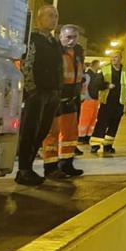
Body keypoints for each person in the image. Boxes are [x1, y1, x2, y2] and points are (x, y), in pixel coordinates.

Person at [16, 4, 62, 186]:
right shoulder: (33, 40)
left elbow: (59, 68)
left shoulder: (54, 42)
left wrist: (58, 90)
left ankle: (28, 167)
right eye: (50, 15)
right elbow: (27, 64)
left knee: (42, 131)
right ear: (39, 19)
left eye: (56, 16)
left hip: (52, 93)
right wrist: (31, 89)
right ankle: (24, 169)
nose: (54, 19)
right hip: (38, 92)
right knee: (30, 130)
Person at [41, 24, 86, 180]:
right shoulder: (55, 52)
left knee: (70, 134)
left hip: (72, 98)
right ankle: (50, 167)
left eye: (74, 37)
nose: (71, 40)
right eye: (68, 37)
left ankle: (66, 163)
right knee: (52, 134)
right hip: (56, 98)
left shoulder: (79, 52)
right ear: (60, 36)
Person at [91, 51, 126, 155]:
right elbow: (96, 84)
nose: (114, 59)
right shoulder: (105, 70)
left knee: (114, 125)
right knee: (101, 124)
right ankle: (95, 145)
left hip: (119, 102)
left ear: (120, 58)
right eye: (112, 57)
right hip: (107, 101)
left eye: (116, 57)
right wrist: (106, 85)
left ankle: (108, 146)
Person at [77, 59, 102, 148]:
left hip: (93, 99)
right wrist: (83, 95)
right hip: (88, 99)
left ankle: (87, 136)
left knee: (91, 119)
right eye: (99, 65)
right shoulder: (88, 75)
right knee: (85, 119)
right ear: (95, 65)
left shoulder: (94, 75)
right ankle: (81, 137)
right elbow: (84, 86)